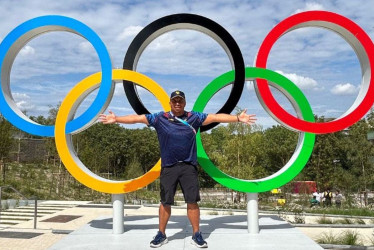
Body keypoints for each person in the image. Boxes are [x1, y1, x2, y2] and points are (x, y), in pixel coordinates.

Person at [99, 90, 256, 248]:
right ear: (170, 103)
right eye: (175, 100)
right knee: (165, 202)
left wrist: (237, 118)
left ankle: (197, 234)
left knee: (192, 202)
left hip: (188, 167)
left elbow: (215, 117)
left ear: (184, 103)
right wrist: (117, 119)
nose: (177, 103)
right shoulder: (160, 118)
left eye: (180, 100)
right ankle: (161, 234)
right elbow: (138, 118)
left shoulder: (194, 117)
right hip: (169, 167)